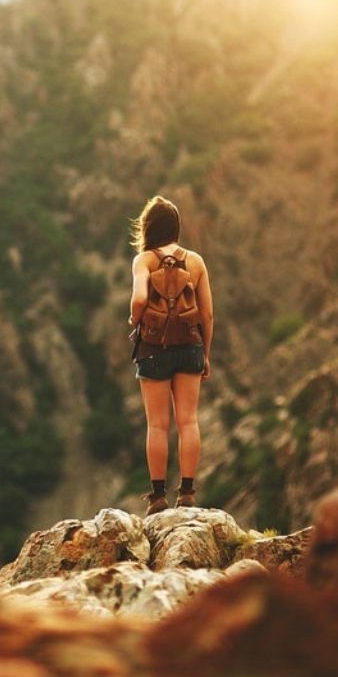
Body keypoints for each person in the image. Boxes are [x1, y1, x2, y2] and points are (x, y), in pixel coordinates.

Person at [128, 195, 213, 515]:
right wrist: (205, 354)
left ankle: (158, 496)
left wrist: (134, 320)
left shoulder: (144, 261)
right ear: (176, 227)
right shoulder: (196, 261)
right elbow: (207, 316)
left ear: (148, 228)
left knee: (157, 425)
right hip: (190, 346)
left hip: (153, 349)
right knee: (188, 420)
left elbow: (138, 300)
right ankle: (188, 492)